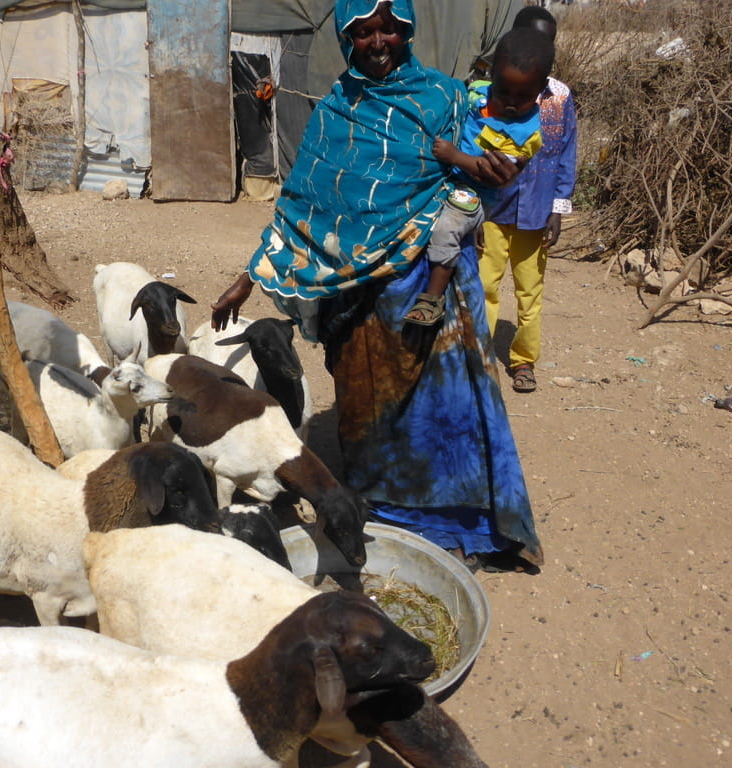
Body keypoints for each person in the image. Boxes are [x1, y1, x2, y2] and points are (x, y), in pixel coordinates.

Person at [211, 0, 543, 573]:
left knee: (443, 411)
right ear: (347, 39)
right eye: (363, 32)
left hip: (430, 293)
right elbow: (302, 203)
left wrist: (498, 179)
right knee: (369, 407)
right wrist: (248, 276)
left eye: (388, 28)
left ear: (406, 30)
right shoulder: (335, 111)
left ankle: (455, 521)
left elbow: (484, 175)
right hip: (360, 302)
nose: (378, 41)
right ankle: (380, 511)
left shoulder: (444, 97)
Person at [404, 26, 555, 327]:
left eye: (522, 97)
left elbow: (495, 172)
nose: (510, 102)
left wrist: (455, 156)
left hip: (475, 193)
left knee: (447, 227)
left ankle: (432, 297)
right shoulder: (478, 94)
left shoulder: (527, 132)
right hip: (446, 180)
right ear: (492, 76)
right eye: (503, 91)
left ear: (541, 91)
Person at [479, 5, 578, 393]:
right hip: (492, 207)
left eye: (546, 42)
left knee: (529, 291)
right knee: (484, 286)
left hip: (536, 210)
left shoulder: (560, 97)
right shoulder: (490, 93)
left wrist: (559, 208)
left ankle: (523, 361)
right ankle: (481, 358)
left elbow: (566, 152)